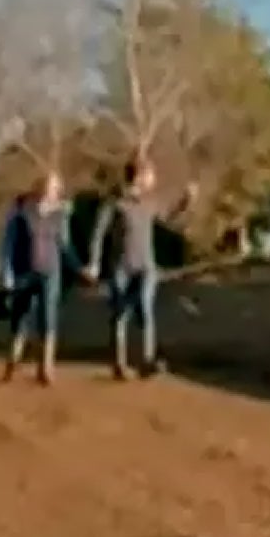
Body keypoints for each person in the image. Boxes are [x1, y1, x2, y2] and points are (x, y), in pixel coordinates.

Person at [86, 159, 194, 381]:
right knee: (120, 314)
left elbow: (168, 218)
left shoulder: (149, 202)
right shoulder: (116, 203)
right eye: (150, 175)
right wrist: (94, 262)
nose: (154, 180)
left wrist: (186, 201)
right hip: (121, 266)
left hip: (146, 266)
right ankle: (119, 364)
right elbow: (98, 232)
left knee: (145, 307)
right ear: (138, 177)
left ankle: (147, 360)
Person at [0, 174, 81, 385]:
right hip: (24, 272)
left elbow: (65, 245)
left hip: (50, 271)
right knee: (20, 317)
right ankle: (12, 362)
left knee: (48, 317)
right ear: (39, 188)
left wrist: (80, 269)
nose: (51, 191)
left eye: (55, 188)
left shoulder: (60, 215)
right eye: (49, 187)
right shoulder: (21, 212)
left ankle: (45, 368)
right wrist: (7, 273)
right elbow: (8, 243)